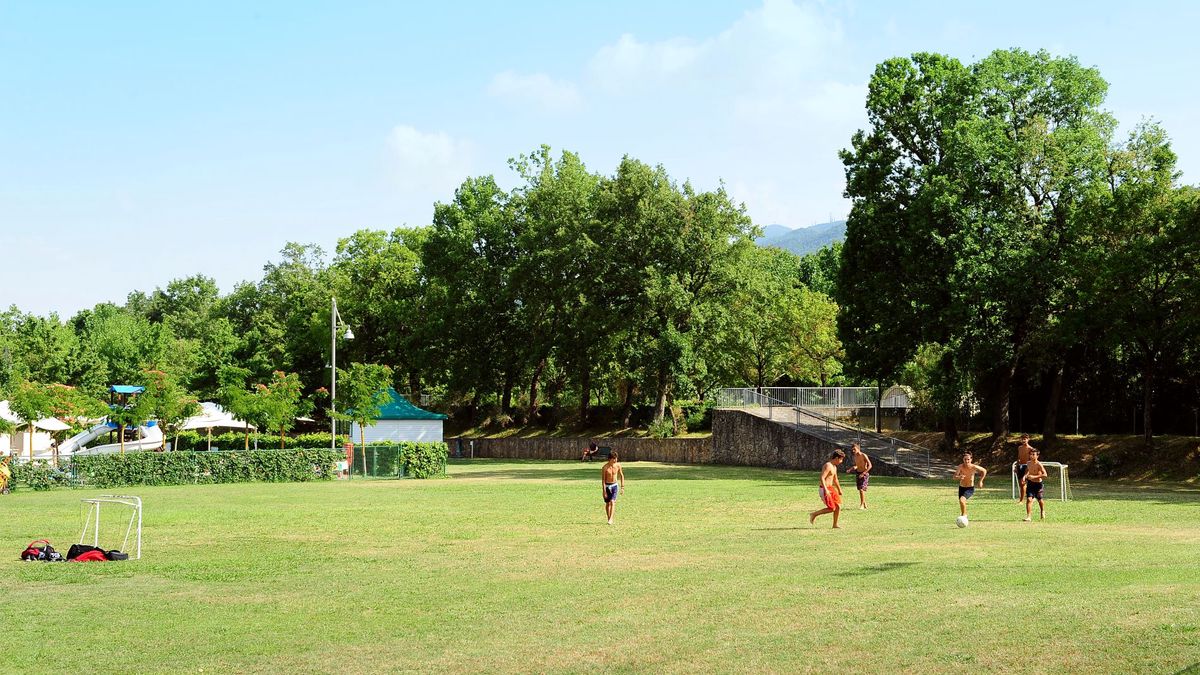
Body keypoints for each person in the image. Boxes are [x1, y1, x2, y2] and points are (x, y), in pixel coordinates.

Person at [809, 449, 845, 528]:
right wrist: (826, 490)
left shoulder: (834, 467)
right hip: (824, 489)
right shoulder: (828, 465)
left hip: (831, 488)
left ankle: (835, 524)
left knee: (838, 506)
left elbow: (835, 479)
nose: (841, 461)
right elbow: (822, 478)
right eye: (841, 459)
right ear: (836, 458)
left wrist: (839, 489)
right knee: (832, 508)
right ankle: (814, 514)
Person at [955, 452, 987, 518]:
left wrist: (981, 481)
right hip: (961, 488)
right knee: (962, 502)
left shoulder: (973, 467)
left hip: (969, 488)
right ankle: (963, 515)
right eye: (965, 459)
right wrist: (959, 477)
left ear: (971, 459)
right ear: (963, 459)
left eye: (968, 459)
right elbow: (954, 477)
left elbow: (984, 471)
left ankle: (964, 516)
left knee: (962, 500)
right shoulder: (960, 467)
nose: (966, 461)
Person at [1023, 448, 1048, 521]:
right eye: (1031, 454)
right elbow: (1028, 471)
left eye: (1034, 454)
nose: (1032, 456)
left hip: (1038, 484)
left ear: (1037, 456)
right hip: (1030, 483)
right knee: (1029, 499)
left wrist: (1034, 477)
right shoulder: (1028, 463)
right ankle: (1028, 517)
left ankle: (1042, 510)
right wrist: (1025, 476)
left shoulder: (1039, 464)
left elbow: (1045, 474)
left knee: (1040, 500)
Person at [601, 451, 625, 525]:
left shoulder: (618, 465)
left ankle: (611, 518)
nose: (615, 460)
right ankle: (609, 518)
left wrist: (622, 487)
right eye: (613, 459)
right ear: (609, 459)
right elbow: (603, 480)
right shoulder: (605, 467)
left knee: (612, 501)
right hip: (607, 486)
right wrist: (604, 491)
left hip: (614, 485)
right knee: (608, 503)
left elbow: (621, 476)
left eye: (616, 458)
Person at [848, 443, 873, 509]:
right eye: (852, 450)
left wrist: (863, 473)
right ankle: (864, 504)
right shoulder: (855, 456)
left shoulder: (863, 455)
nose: (853, 451)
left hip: (864, 474)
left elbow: (870, 465)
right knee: (860, 489)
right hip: (858, 473)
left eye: (854, 449)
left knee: (861, 489)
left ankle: (862, 504)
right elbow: (857, 465)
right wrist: (851, 469)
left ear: (858, 449)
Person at [1015, 434, 1034, 502]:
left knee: (1023, 483)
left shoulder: (1030, 449)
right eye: (1022, 439)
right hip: (1020, 466)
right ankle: (1030, 497)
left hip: (1027, 466)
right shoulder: (1019, 448)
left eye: (1025, 439)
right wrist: (1016, 467)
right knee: (1021, 484)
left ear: (1028, 439)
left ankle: (1021, 500)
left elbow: (1032, 459)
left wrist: (1029, 468)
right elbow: (1019, 458)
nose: (1023, 440)